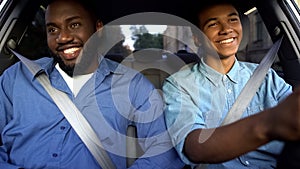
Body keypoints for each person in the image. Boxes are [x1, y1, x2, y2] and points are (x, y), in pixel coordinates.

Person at [0, 0, 185, 168]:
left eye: (74, 25)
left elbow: (163, 149)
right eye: (52, 30)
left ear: (98, 30)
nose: (62, 38)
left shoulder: (132, 85)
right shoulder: (15, 78)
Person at [163, 0, 300, 168]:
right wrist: (269, 123)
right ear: (197, 39)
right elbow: (193, 147)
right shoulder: (179, 85)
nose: (226, 29)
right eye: (213, 24)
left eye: (233, 20)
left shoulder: (266, 77)